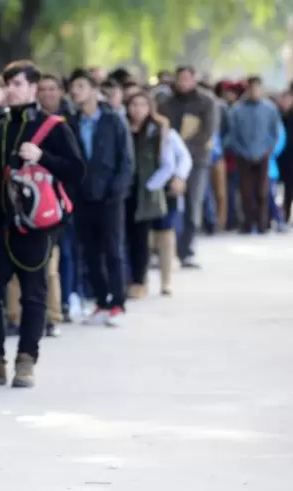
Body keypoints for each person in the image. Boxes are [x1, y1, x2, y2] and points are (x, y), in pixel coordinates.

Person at [0, 60, 85, 389]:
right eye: (8, 84)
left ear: (34, 87)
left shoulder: (54, 127)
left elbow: (76, 171)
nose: (11, 90)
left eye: (17, 84)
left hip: (36, 229)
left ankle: (26, 360)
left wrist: (43, 157)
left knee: (33, 295)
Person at [67, 68, 133, 326]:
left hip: (110, 196)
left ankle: (118, 302)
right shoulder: (70, 122)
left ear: (95, 90)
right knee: (90, 252)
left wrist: (117, 190)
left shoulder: (113, 120)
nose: (75, 92)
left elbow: (126, 160)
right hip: (82, 196)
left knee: (113, 250)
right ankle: (101, 301)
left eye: (81, 86)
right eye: (73, 87)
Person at [125, 91, 192, 297]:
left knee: (164, 234)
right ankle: (139, 279)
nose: (138, 110)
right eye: (133, 104)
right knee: (139, 236)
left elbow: (182, 158)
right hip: (134, 190)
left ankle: (166, 280)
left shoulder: (163, 129)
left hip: (162, 188)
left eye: (142, 105)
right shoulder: (123, 128)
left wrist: (177, 178)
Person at [157, 65, 219, 268]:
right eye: (180, 78)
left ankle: (187, 250)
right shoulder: (166, 103)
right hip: (169, 161)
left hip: (197, 160)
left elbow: (208, 131)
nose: (183, 83)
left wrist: (182, 148)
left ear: (194, 79)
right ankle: (165, 249)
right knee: (167, 204)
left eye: (186, 78)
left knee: (193, 204)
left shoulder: (207, 102)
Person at [224, 75, 282, 234]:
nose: (254, 91)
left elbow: (275, 133)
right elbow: (232, 134)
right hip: (243, 156)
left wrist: (269, 150)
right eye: (252, 88)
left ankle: (263, 223)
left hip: (263, 155)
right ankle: (248, 223)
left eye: (257, 88)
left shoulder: (270, 109)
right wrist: (240, 150)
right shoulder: (237, 110)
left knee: (263, 190)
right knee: (246, 191)